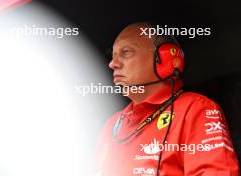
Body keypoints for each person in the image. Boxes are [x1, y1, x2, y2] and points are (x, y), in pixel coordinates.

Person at [93, 22, 240, 176]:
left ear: (165, 59)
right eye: (113, 55)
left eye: (126, 52)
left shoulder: (196, 110)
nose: (113, 64)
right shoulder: (111, 125)